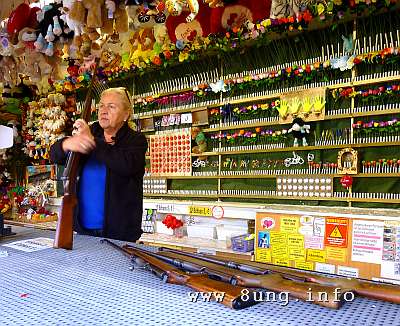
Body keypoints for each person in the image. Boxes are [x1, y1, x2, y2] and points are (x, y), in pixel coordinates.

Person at [50, 87, 148, 242]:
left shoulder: (136, 140)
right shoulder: (89, 132)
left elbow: (126, 165)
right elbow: (55, 155)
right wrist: (67, 143)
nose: (103, 110)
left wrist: (92, 142)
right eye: (101, 105)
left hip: (120, 233)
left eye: (111, 106)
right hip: (83, 230)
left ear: (126, 114)